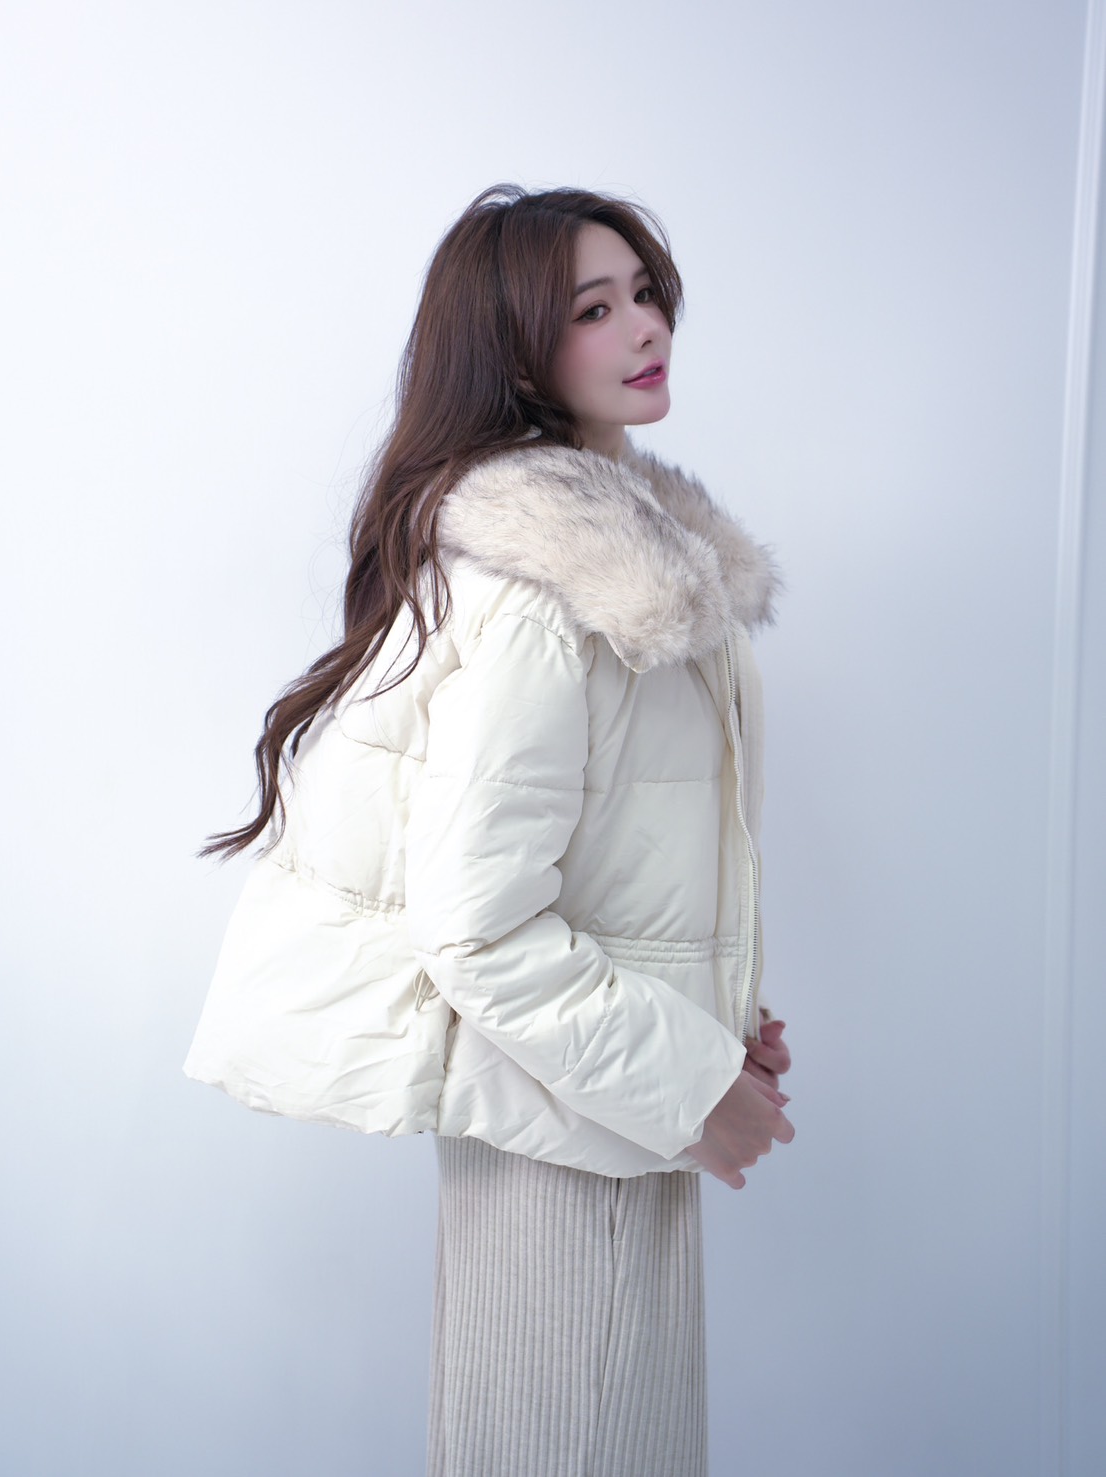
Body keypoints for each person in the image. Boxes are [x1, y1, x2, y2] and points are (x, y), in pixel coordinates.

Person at [184, 183, 795, 1477]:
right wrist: (692, 1082)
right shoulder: (549, 598)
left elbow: (613, 868)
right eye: (594, 308)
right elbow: (477, 932)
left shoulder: (631, 569)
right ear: (516, 349)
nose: (646, 327)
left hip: (605, 1116)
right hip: (565, 1147)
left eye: (646, 294)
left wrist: (713, 1024)